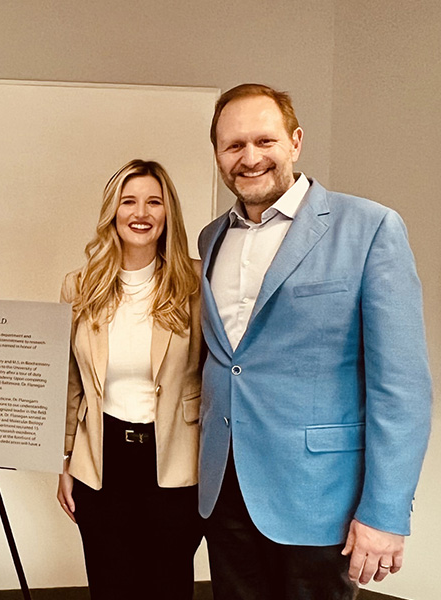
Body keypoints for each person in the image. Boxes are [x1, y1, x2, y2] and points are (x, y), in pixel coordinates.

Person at [198, 83, 432, 599]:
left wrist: (386, 512)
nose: (249, 157)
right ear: (217, 153)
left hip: (320, 500)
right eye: (233, 146)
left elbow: (403, 389)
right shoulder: (211, 238)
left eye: (265, 141)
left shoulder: (369, 227)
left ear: (296, 141)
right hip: (227, 491)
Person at [57, 159, 203, 599]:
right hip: (100, 463)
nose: (141, 213)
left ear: (167, 212)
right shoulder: (79, 286)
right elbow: (70, 382)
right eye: (129, 201)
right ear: (113, 212)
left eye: (154, 202)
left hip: (175, 462)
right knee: (109, 586)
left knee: (168, 587)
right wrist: (62, 463)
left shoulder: (195, 282)